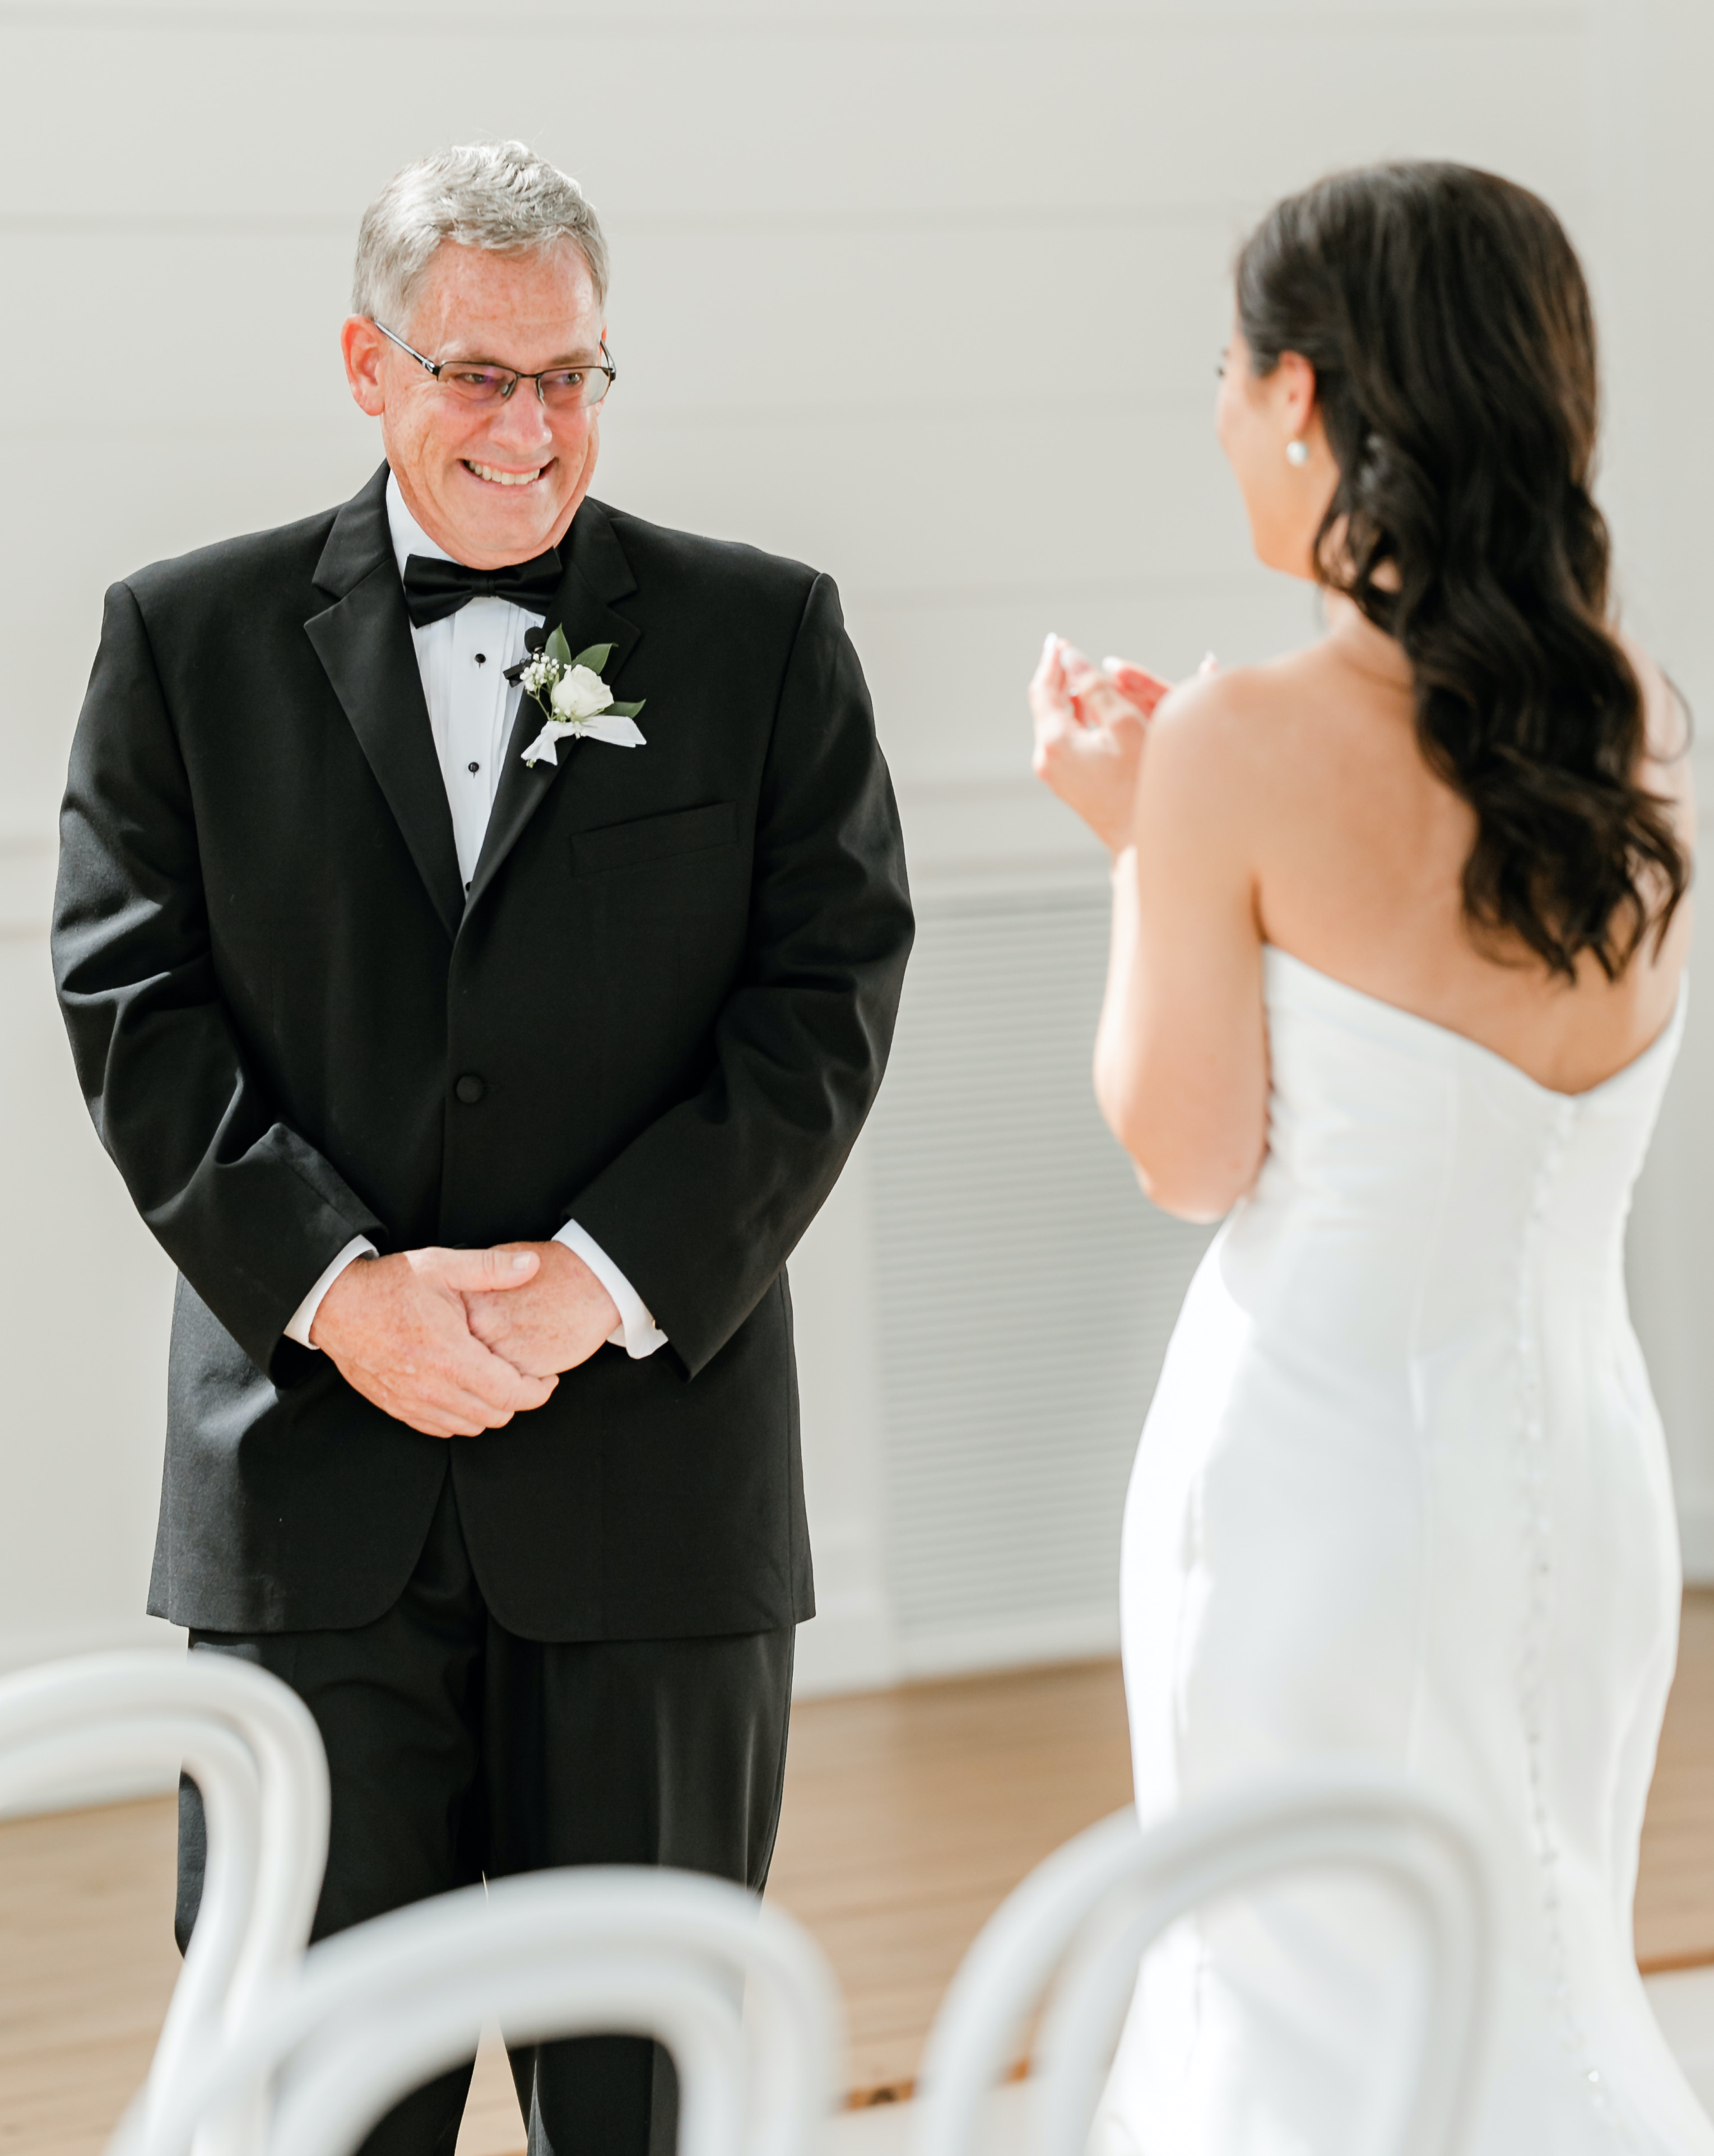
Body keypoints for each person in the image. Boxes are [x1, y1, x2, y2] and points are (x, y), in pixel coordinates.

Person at [53, 140, 912, 2156]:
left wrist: (587, 1285)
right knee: (318, 2102)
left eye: (572, 379)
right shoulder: (184, 642)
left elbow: (826, 998)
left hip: (654, 1505)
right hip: (308, 1515)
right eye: (476, 376)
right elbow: (127, 1005)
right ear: (368, 363)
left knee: (656, 2104)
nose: (531, 433)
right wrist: (339, 1294)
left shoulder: (761, 636)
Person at [1030, 161, 1707, 2152]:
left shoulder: (1235, 737)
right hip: (1576, 1480)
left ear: (1308, 400)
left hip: (1318, 1481)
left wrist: (1148, 841)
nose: (1222, 414)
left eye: (1230, 376)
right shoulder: (1634, 726)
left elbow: (1185, 1150)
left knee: (1296, 2002)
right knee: (1539, 1958)